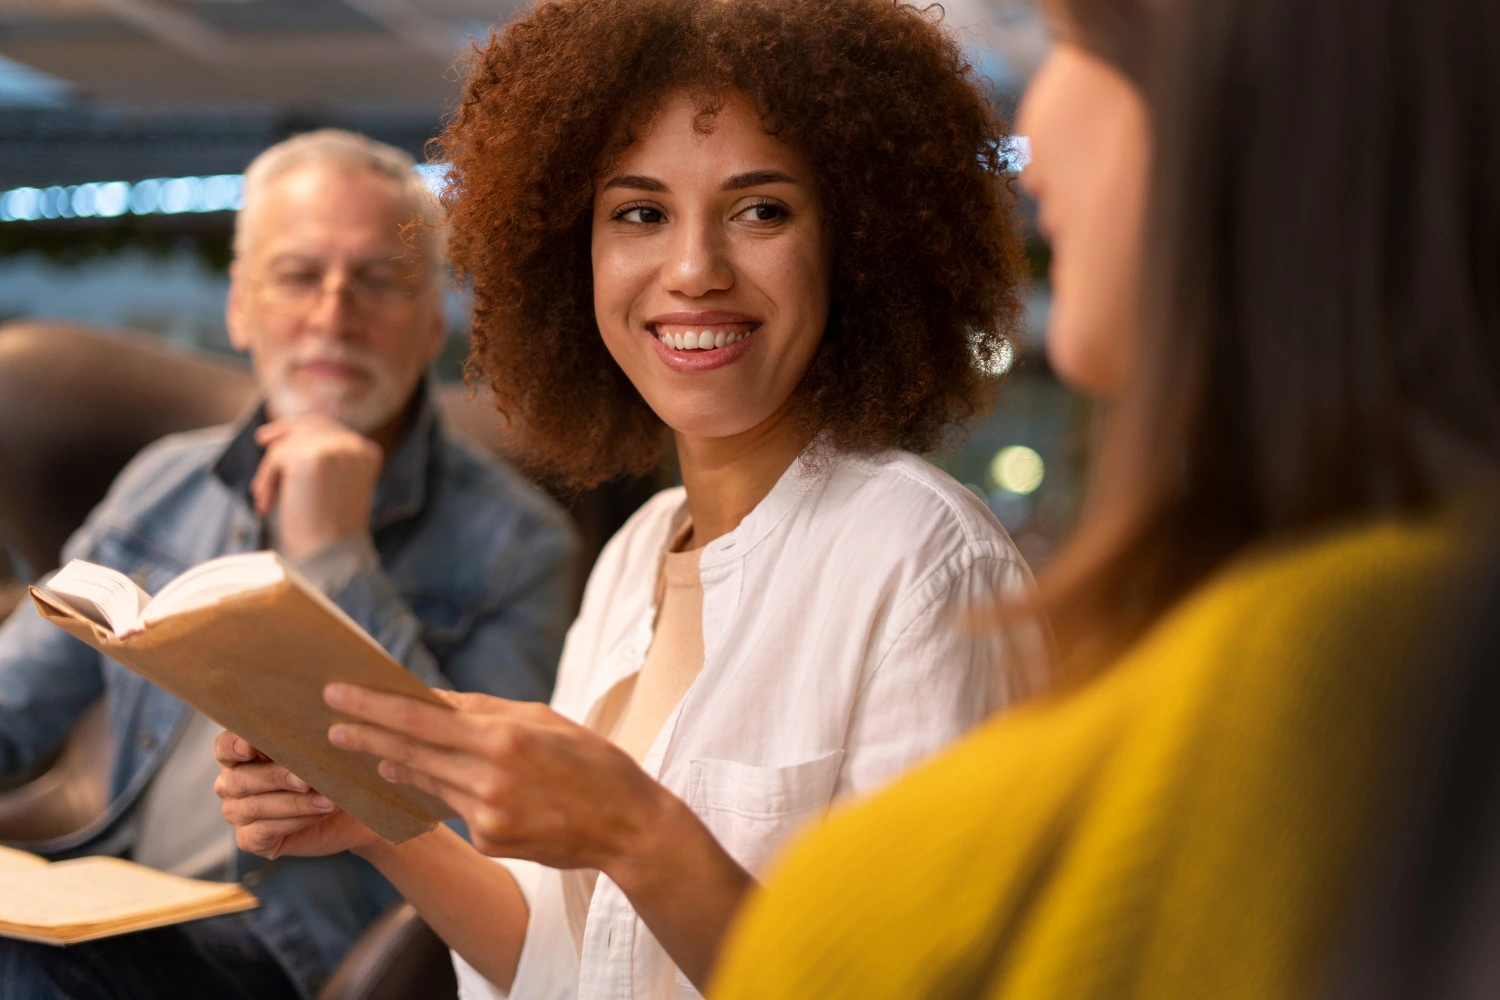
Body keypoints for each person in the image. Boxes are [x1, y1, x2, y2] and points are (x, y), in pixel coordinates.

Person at [214, 1, 1039, 997]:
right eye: (640, 213)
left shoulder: (926, 562)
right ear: (577, 256)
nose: (693, 270)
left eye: (761, 209)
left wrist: (639, 833)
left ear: (858, 244)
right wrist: (380, 825)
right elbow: (565, 961)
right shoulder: (636, 553)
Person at [709, 0, 1500, 995]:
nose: (1033, 136)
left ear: (1248, 109)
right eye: (636, 212)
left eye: (1079, 43)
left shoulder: (911, 902)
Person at [0, 129, 579, 999]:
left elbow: (483, 824)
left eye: (378, 280)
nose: (333, 313)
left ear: (432, 325)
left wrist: (335, 554)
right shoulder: (163, 482)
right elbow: (15, 704)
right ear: (241, 308)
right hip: (116, 901)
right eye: (299, 275)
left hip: (308, 956)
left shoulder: (522, 545)